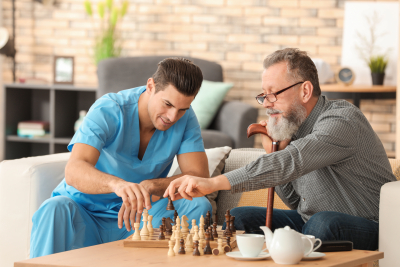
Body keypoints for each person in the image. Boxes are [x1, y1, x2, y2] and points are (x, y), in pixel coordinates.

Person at [164, 48, 396, 251]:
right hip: (311, 224)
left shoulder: (342, 120)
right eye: (263, 95)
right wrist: (274, 152)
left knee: (322, 223)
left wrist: (214, 182)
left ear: (305, 91)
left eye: (273, 93)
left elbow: (293, 160)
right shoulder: (292, 129)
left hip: (372, 226)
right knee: (239, 217)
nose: (266, 103)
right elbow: (297, 203)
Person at [30, 58, 212, 258]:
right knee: (53, 209)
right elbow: (74, 169)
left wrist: (151, 185)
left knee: (197, 204)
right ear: (150, 86)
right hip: (85, 214)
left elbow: (198, 175)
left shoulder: (185, 118)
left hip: (140, 218)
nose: (172, 116)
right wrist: (118, 185)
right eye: (167, 104)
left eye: (182, 109)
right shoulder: (109, 108)